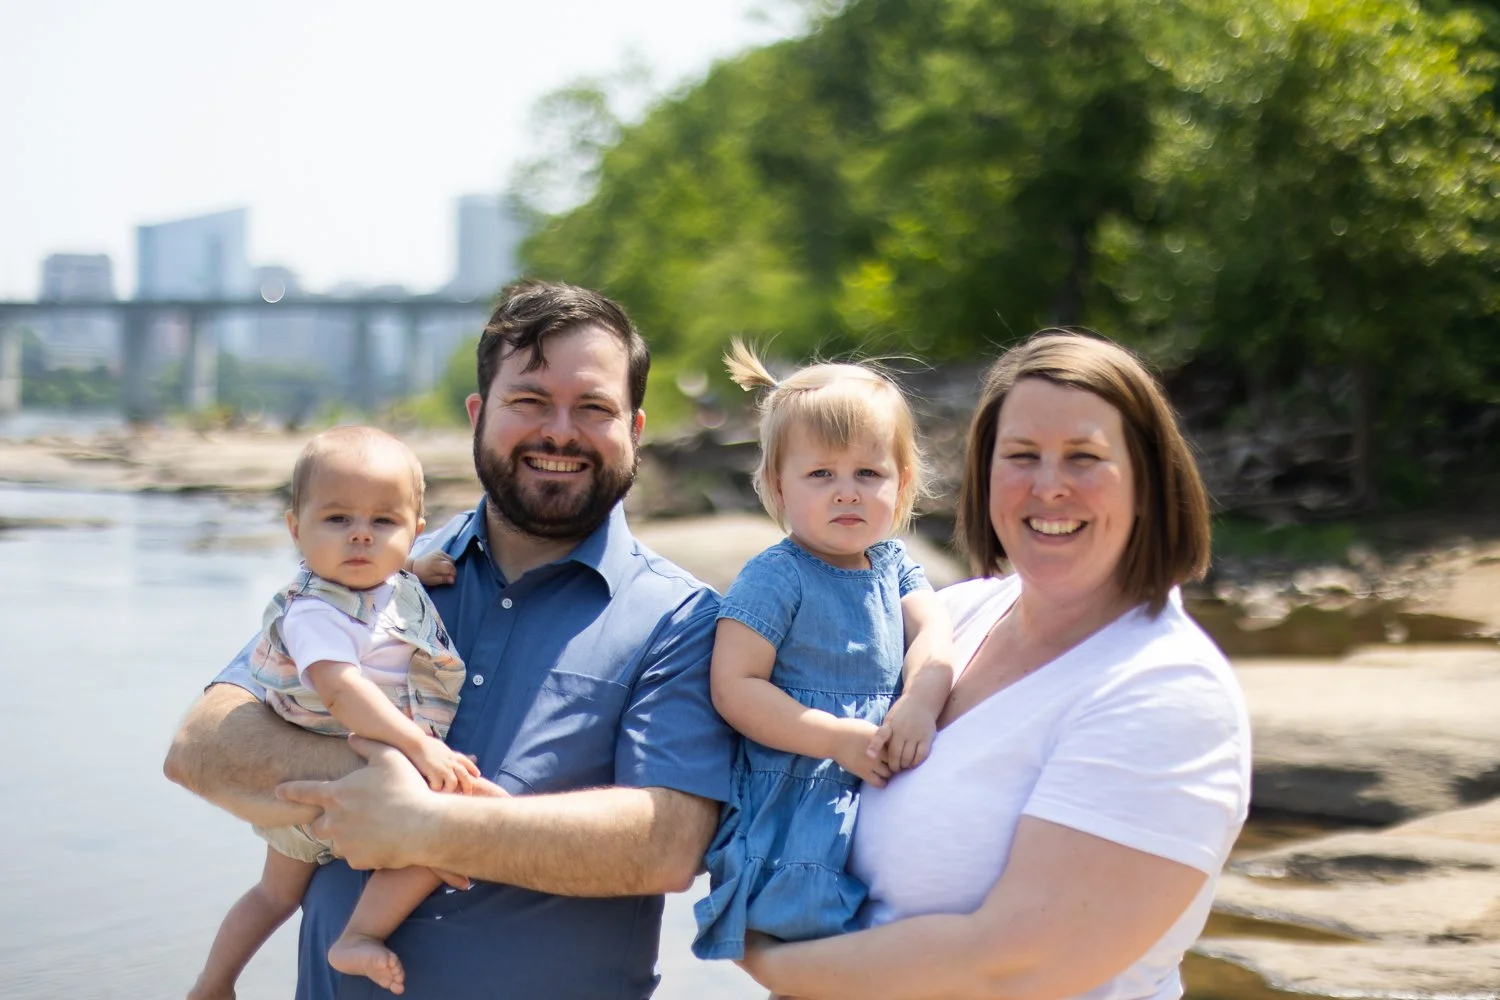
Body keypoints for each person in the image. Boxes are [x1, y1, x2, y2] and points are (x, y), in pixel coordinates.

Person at [164, 281, 736, 1000]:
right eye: (528, 400)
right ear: (478, 414)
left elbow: (667, 844)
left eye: (594, 407)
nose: (560, 431)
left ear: (636, 429)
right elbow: (200, 748)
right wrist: (376, 779)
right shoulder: (373, 571)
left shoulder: (682, 619)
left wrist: (432, 824)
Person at [738, 329, 1252, 1000]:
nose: (1049, 486)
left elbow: (1013, 962)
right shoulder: (953, 616)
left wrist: (765, 959)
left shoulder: (1165, 691)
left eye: (1084, 457)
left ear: (1149, 481)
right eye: (1021, 455)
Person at [190, 426, 479, 999]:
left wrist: (415, 569)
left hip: (353, 781)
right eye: (338, 519)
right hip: (327, 783)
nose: (361, 536)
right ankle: (346, 940)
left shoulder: (388, 581)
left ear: (414, 530)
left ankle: (214, 983)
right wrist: (420, 746)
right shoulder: (315, 613)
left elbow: (387, 583)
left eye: (383, 522)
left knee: (276, 894)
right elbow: (343, 693)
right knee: (437, 838)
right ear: (296, 529)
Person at [692, 343, 955, 962]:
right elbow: (736, 686)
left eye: (868, 474)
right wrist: (834, 737)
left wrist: (920, 701)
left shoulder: (893, 564)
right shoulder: (777, 575)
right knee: (808, 944)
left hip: (874, 775)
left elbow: (933, 633)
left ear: (902, 483)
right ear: (777, 487)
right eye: (820, 475)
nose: (847, 493)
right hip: (801, 786)